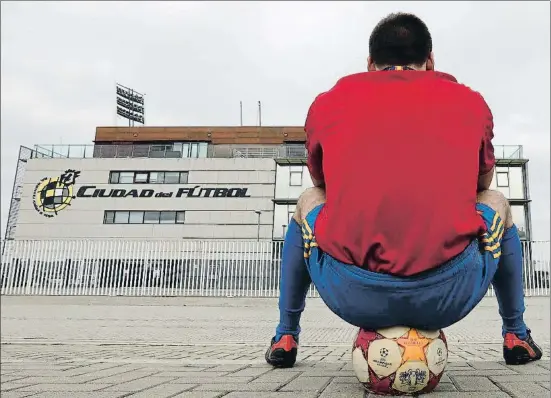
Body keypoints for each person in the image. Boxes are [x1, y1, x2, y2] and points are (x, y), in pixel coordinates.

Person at [265, 12, 542, 368]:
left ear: (369, 63)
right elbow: (482, 184)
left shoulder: (328, 102)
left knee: (307, 200)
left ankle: (286, 334)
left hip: (353, 293)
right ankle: (516, 333)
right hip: (446, 293)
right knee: (499, 201)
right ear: (430, 60)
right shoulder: (470, 101)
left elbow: (322, 183)